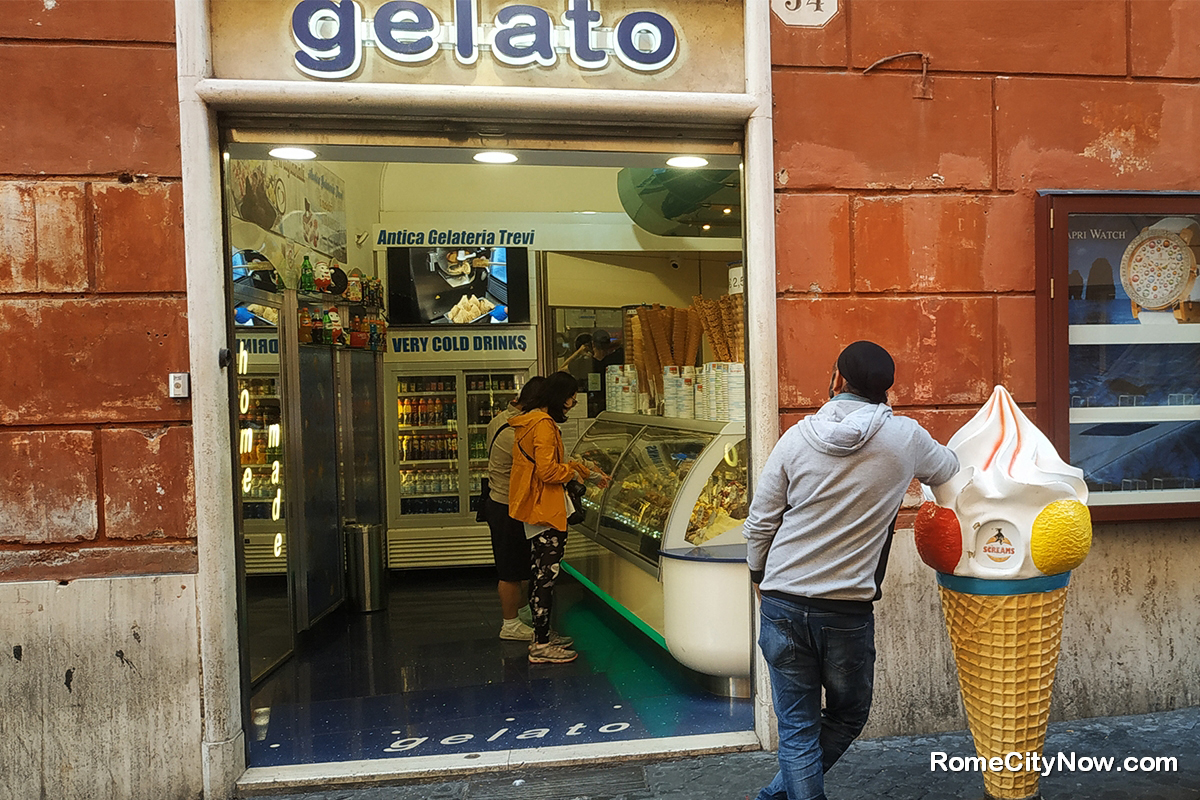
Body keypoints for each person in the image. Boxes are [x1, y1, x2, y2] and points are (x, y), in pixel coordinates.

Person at [744, 341, 959, 800]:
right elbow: (949, 469)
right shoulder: (906, 438)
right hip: (846, 609)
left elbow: (761, 522)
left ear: (837, 379)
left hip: (782, 599)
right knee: (847, 716)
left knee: (798, 727)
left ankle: (776, 796)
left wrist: (759, 575)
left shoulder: (796, 438)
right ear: (885, 389)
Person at [507, 372, 591, 664]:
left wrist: (578, 466)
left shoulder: (527, 421)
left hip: (534, 506)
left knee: (539, 573)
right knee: (546, 577)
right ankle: (542, 646)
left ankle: (540, 634)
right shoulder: (543, 425)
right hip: (547, 508)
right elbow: (548, 472)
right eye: (570, 396)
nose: (573, 402)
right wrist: (573, 472)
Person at [486, 376, 547, 641]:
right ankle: (509, 624)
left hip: (501, 502)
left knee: (518, 566)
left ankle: (520, 615)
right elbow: (544, 468)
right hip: (506, 505)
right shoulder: (516, 431)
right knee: (510, 571)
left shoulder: (499, 419)